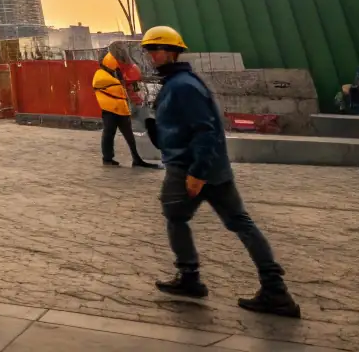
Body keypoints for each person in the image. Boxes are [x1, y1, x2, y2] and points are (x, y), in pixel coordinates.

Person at [141, 26, 300, 317]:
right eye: (148, 50)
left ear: (172, 52)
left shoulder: (182, 86)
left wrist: (197, 172)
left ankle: (190, 277)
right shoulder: (180, 83)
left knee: (176, 217)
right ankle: (275, 289)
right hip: (210, 168)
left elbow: (205, 130)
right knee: (240, 222)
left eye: (155, 49)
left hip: (190, 168)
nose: (150, 55)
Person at [93, 45, 158, 169]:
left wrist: (133, 91)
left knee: (128, 135)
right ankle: (108, 159)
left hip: (122, 109)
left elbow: (129, 87)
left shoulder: (116, 73)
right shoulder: (101, 76)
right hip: (110, 109)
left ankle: (137, 158)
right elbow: (114, 87)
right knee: (109, 133)